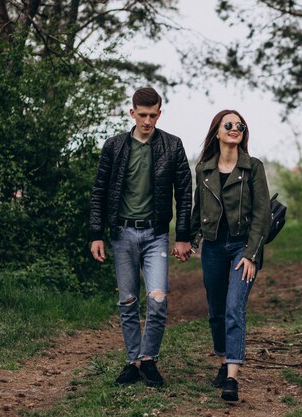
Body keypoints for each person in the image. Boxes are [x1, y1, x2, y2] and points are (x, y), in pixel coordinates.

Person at [89, 87, 193, 387]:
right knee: (128, 301)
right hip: (121, 233)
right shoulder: (115, 146)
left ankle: (149, 360)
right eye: (142, 114)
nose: (147, 121)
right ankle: (133, 361)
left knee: (158, 299)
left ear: (159, 113)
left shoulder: (172, 146)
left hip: (156, 234)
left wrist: (182, 236)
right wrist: (96, 233)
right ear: (131, 112)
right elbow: (99, 191)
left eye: (153, 115)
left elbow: (185, 193)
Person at [190, 110, 271, 401]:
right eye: (229, 125)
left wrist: (251, 254)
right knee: (216, 311)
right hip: (212, 247)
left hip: (241, 247)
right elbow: (198, 210)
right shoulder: (204, 169)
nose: (235, 128)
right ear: (217, 132)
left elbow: (263, 214)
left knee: (235, 307)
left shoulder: (253, 168)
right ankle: (224, 361)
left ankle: (232, 378)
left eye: (240, 125)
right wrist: (189, 240)